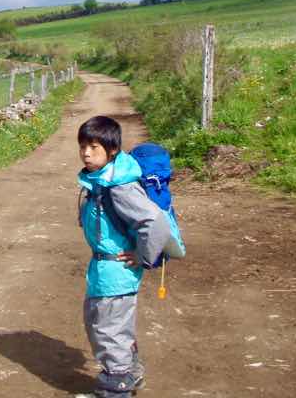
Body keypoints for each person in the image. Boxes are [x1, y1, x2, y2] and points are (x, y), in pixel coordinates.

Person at [76, 116, 170, 397]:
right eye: (82, 146)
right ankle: (131, 374)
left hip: (115, 270)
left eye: (94, 147)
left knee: (108, 331)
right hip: (103, 269)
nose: (86, 153)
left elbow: (155, 222)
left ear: (112, 150)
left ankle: (116, 388)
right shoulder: (102, 181)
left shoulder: (119, 187)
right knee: (107, 326)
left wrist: (143, 255)